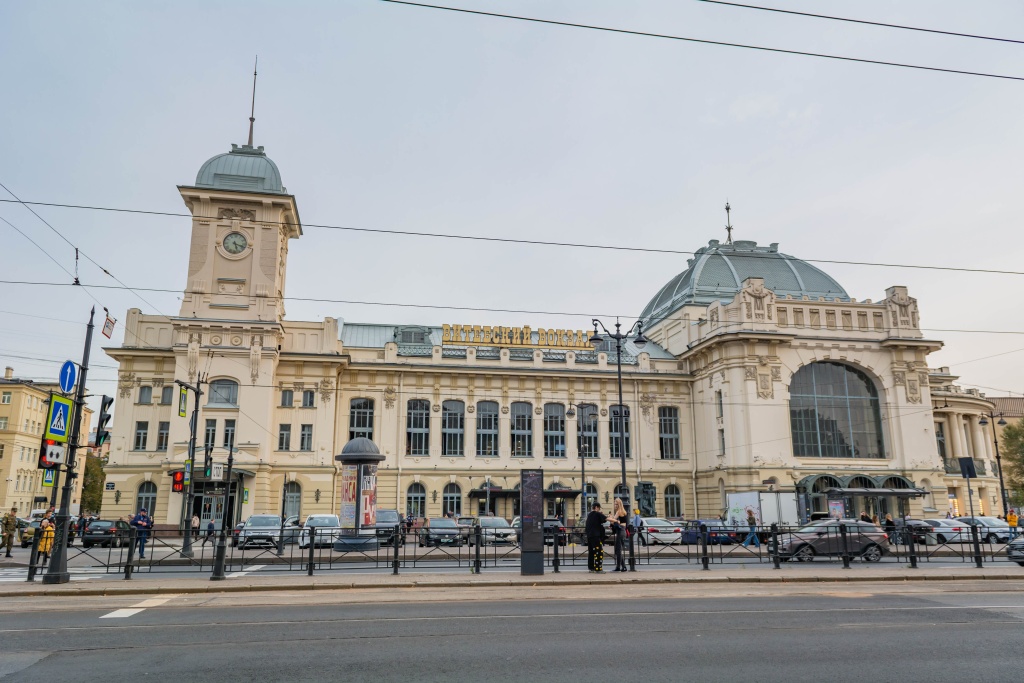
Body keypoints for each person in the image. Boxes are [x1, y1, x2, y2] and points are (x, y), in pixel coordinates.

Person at [585, 502, 607, 573]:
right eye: (599, 508)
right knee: (599, 552)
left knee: (591, 552)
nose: (599, 510)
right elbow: (606, 519)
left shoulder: (589, 515)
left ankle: (591, 568)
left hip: (589, 536)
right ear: (597, 507)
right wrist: (616, 521)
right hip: (596, 536)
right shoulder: (597, 514)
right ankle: (598, 568)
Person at [611, 499, 628, 571]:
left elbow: (612, 521)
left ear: (619, 505)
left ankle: (618, 567)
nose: (615, 505)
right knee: (618, 550)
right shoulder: (624, 512)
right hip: (622, 531)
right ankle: (623, 566)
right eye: (615, 504)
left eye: (616, 504)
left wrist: (612, 518)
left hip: (620, 531)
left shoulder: (618, 512)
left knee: (618, 550)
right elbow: (623, 522)